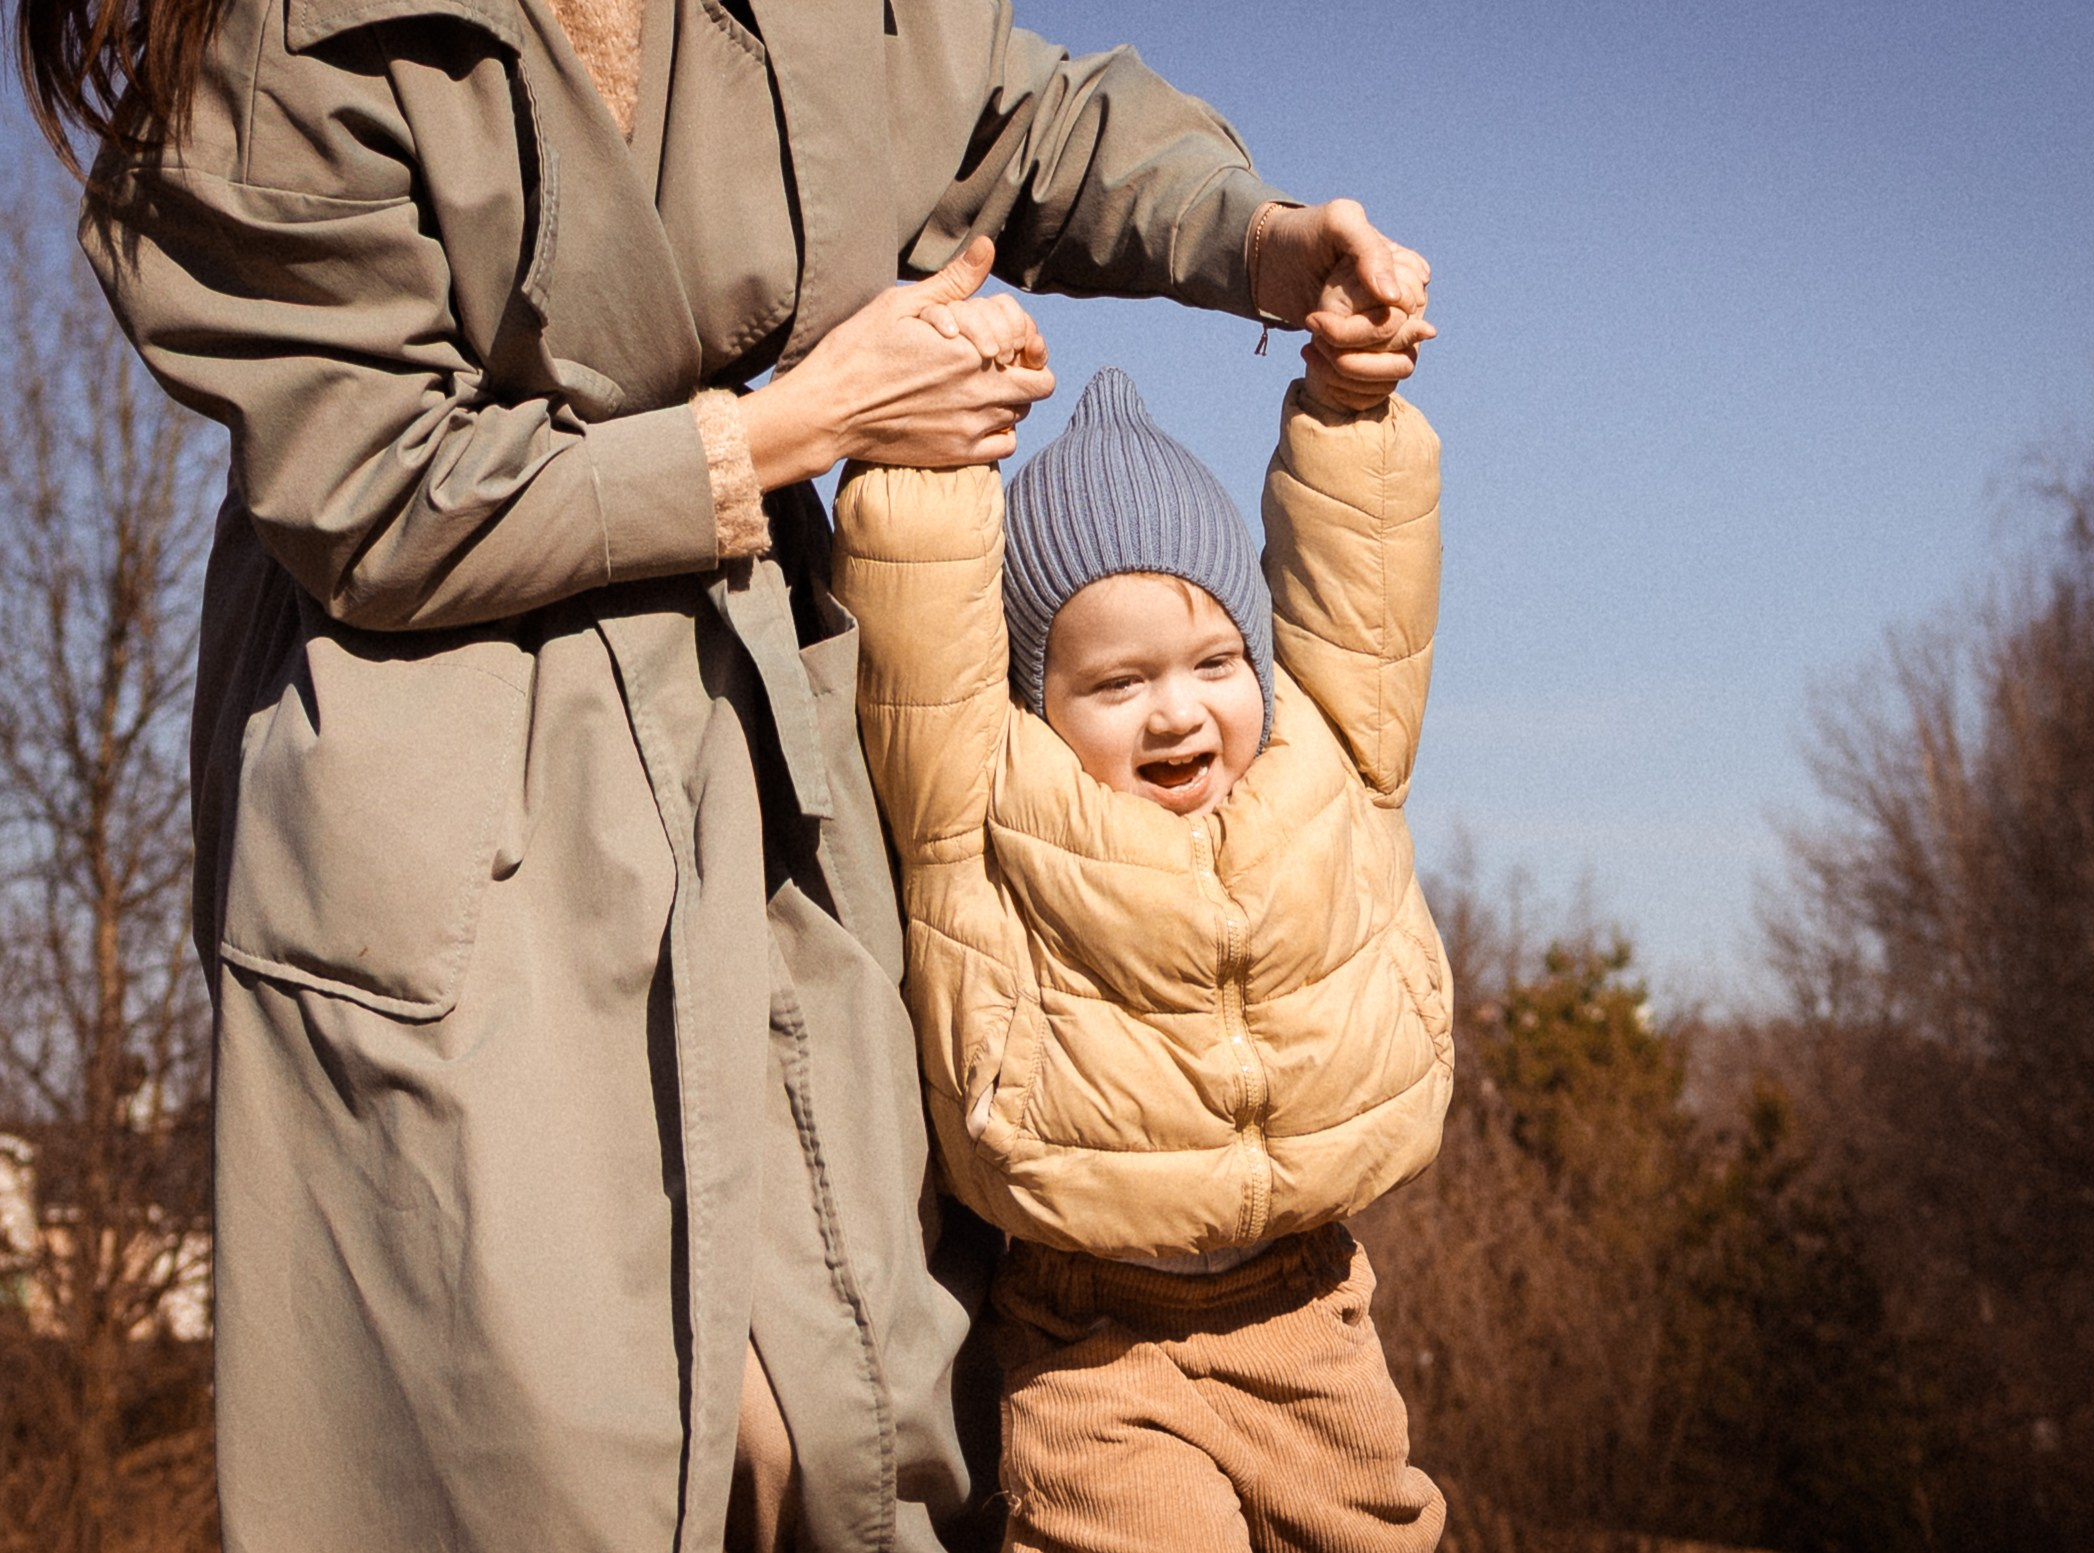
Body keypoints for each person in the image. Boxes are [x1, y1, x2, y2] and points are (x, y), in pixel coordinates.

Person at [19, 0, 1433, 1543]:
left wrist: (1255, 234)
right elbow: (368, 496)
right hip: (453, 753)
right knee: (550, 1453)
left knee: (878, 1410)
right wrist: (802, 423)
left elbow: (1001, 116)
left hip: (765, 724)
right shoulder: (292, 39)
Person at [829, 296, 1448, 1551]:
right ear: (1032, 696)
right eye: (1116, 681)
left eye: (1214, 662)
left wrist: (1349, 410)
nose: (1177, 711)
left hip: (1308, 1306)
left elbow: (1362, 586)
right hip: (1086, 1328)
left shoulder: (1332, 758)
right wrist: (937, 437)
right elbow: (918, 633)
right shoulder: (981, 797)